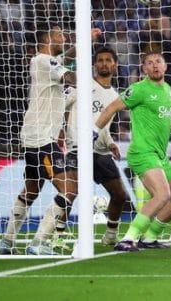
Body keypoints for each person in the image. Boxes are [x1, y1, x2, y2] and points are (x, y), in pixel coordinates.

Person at [94, 52, 171, 251]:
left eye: (158, 62)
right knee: (162, 195)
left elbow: (165, 119)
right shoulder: (138, 89)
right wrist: (94, 132)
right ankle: (128, 238)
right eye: (149, 63)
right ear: (144, 69)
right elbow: (111, 108)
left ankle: (149, 237)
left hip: (159, 155)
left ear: (165, 67)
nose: (154, 65)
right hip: (142, 152)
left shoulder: (166, 89)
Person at [35, 47, 131, 252]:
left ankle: (110, 235)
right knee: (69, 193)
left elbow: (102, 125)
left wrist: (110, 142)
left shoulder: (115, 96)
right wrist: (58, 130)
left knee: (120, 195)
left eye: (108, 60)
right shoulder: (82, 86)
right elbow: (59, 105)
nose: (104, 63)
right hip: (78, 148)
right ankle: (52, 238)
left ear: (115, 65)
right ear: (94, 64)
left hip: (101, 151)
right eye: (100, 60)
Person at [0, 24, 77, 255]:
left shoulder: (45, 62)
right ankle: (38, 242)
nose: (64, 38)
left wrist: (86, 42)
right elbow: (69, 76)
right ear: (47, 39)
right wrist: (84, 79)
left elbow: (65, 58)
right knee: (69, 189)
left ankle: (7, 242)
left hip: (33, 137)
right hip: (42, 139)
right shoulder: (44, 61)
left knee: (31, 190)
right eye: (59, 34)